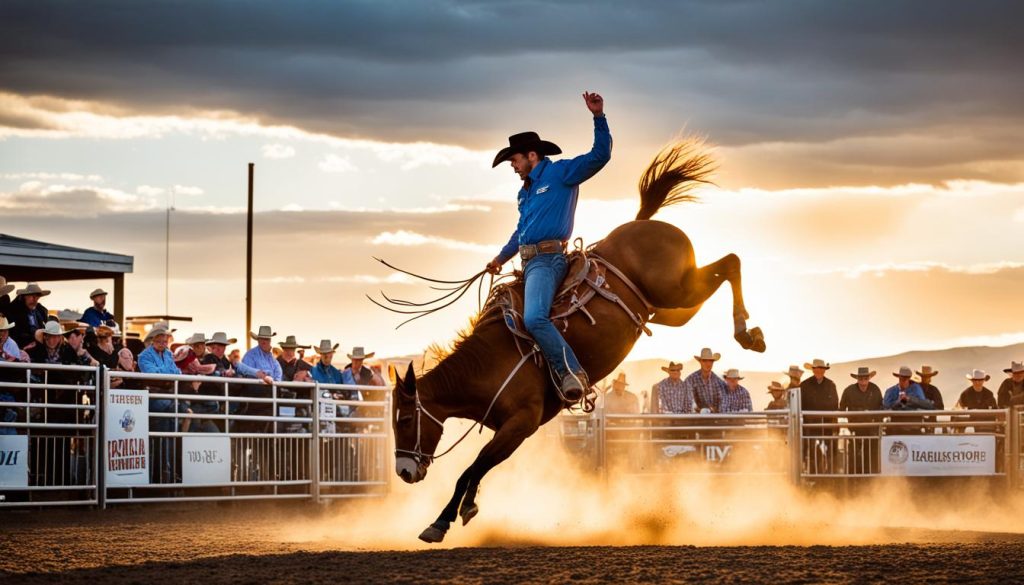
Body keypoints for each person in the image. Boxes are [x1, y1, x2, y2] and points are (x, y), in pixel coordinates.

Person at [483, 91, 612, 402]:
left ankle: (571, 372)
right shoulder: (524, 193)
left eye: (514, 160)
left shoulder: (559, 173)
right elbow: (521, 233)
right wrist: (500, 259)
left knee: (534, 318)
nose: (513, 167)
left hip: (548, 260)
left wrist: (598, 117)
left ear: (531, 155)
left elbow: (600, 156)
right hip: (527, 263)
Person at [840, 367, 883, 473]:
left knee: (871, 455)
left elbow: (881, 408)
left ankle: (870, 478)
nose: (863, 381)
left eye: (865, 378)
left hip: (871, 429)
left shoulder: (875, 390)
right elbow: (841, 408)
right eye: (861, 378)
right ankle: (854, 478)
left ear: (869, 378)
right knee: (854, 455)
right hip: (854, 429)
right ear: (857, 379)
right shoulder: (849, 391)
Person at [800, 358, 839, 473]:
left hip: (826, 424)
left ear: (824, 370)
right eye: (817, 369)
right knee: (810, 450)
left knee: (830, 450)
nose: (819, 371)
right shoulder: (804, 385)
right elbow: (801, 404)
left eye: (821, 369)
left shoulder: (830, 385)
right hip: (811, 425)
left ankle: (830, 473)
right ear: (813, 370)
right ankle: (813, 473)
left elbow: (834, 403)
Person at [6, 282, 50, 350]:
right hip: (21, 347)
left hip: (40, 346)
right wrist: (34, 337)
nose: (34, 299)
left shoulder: (41, 311)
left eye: (37, 296)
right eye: (31, 296)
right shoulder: (14, 312)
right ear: (24, 296)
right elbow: (14, 333)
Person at [683, 348, 727, 413]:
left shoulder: (719, 382)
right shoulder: (690, 380)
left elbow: (722, 402)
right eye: (705, 361)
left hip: (715, 419)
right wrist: (699, 410)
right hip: (695, 418)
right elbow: (688, 401)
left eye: (710, 361)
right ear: (700, 362)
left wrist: (712, 410)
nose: (708, 363)